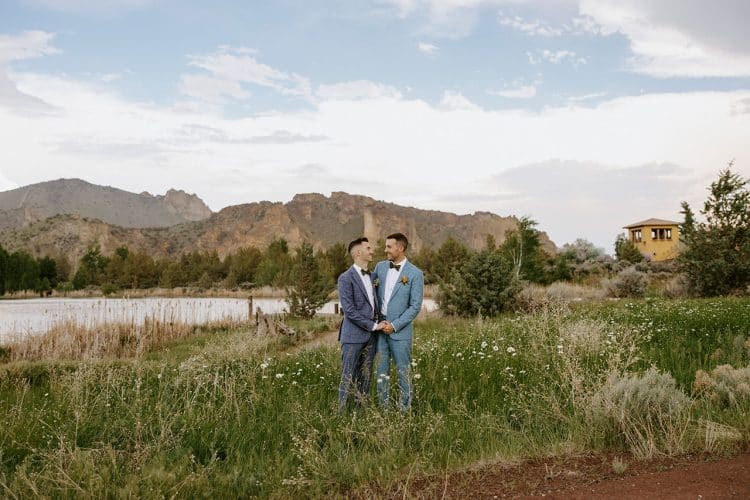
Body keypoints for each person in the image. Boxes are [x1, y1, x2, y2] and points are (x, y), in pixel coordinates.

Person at [373, 232, 424, 410]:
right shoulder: (379, 267)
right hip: (380, 330)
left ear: (400, 248)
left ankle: (405, 410)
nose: (385, 249)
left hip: (400, 332)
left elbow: (415, 306)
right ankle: (383, 408)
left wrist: (394, 325)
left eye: (389, 246)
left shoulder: (415, 274)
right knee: (381, 372)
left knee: (404, 371)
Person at [337, 237, 382, 412]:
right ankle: (340, 415)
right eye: (368, 248)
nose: (372, 251)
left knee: (366, 377)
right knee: (347, 376)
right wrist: (372, 326)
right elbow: (349, 311)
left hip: (371, 337)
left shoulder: (373, 277)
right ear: (358, 253)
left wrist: (380, 323)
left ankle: (361, 412)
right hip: (352, 336)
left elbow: (375, 304)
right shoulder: (345, 278)